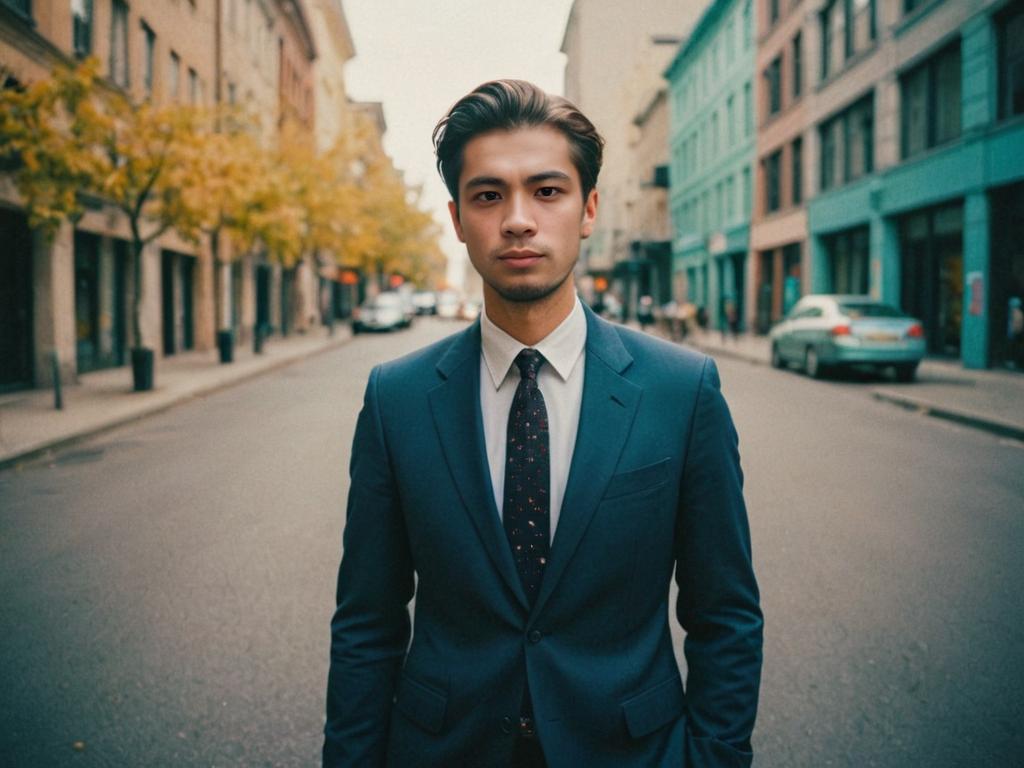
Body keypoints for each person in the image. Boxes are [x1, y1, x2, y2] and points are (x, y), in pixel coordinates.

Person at [323, 79, 763, 768]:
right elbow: (366, 622)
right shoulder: (397, 398)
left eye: (547, 191)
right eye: (489, 194)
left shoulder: (682, 391)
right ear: (458, 217)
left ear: (588, 209)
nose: (518, 219)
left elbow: (725, 615)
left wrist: (713, 759)